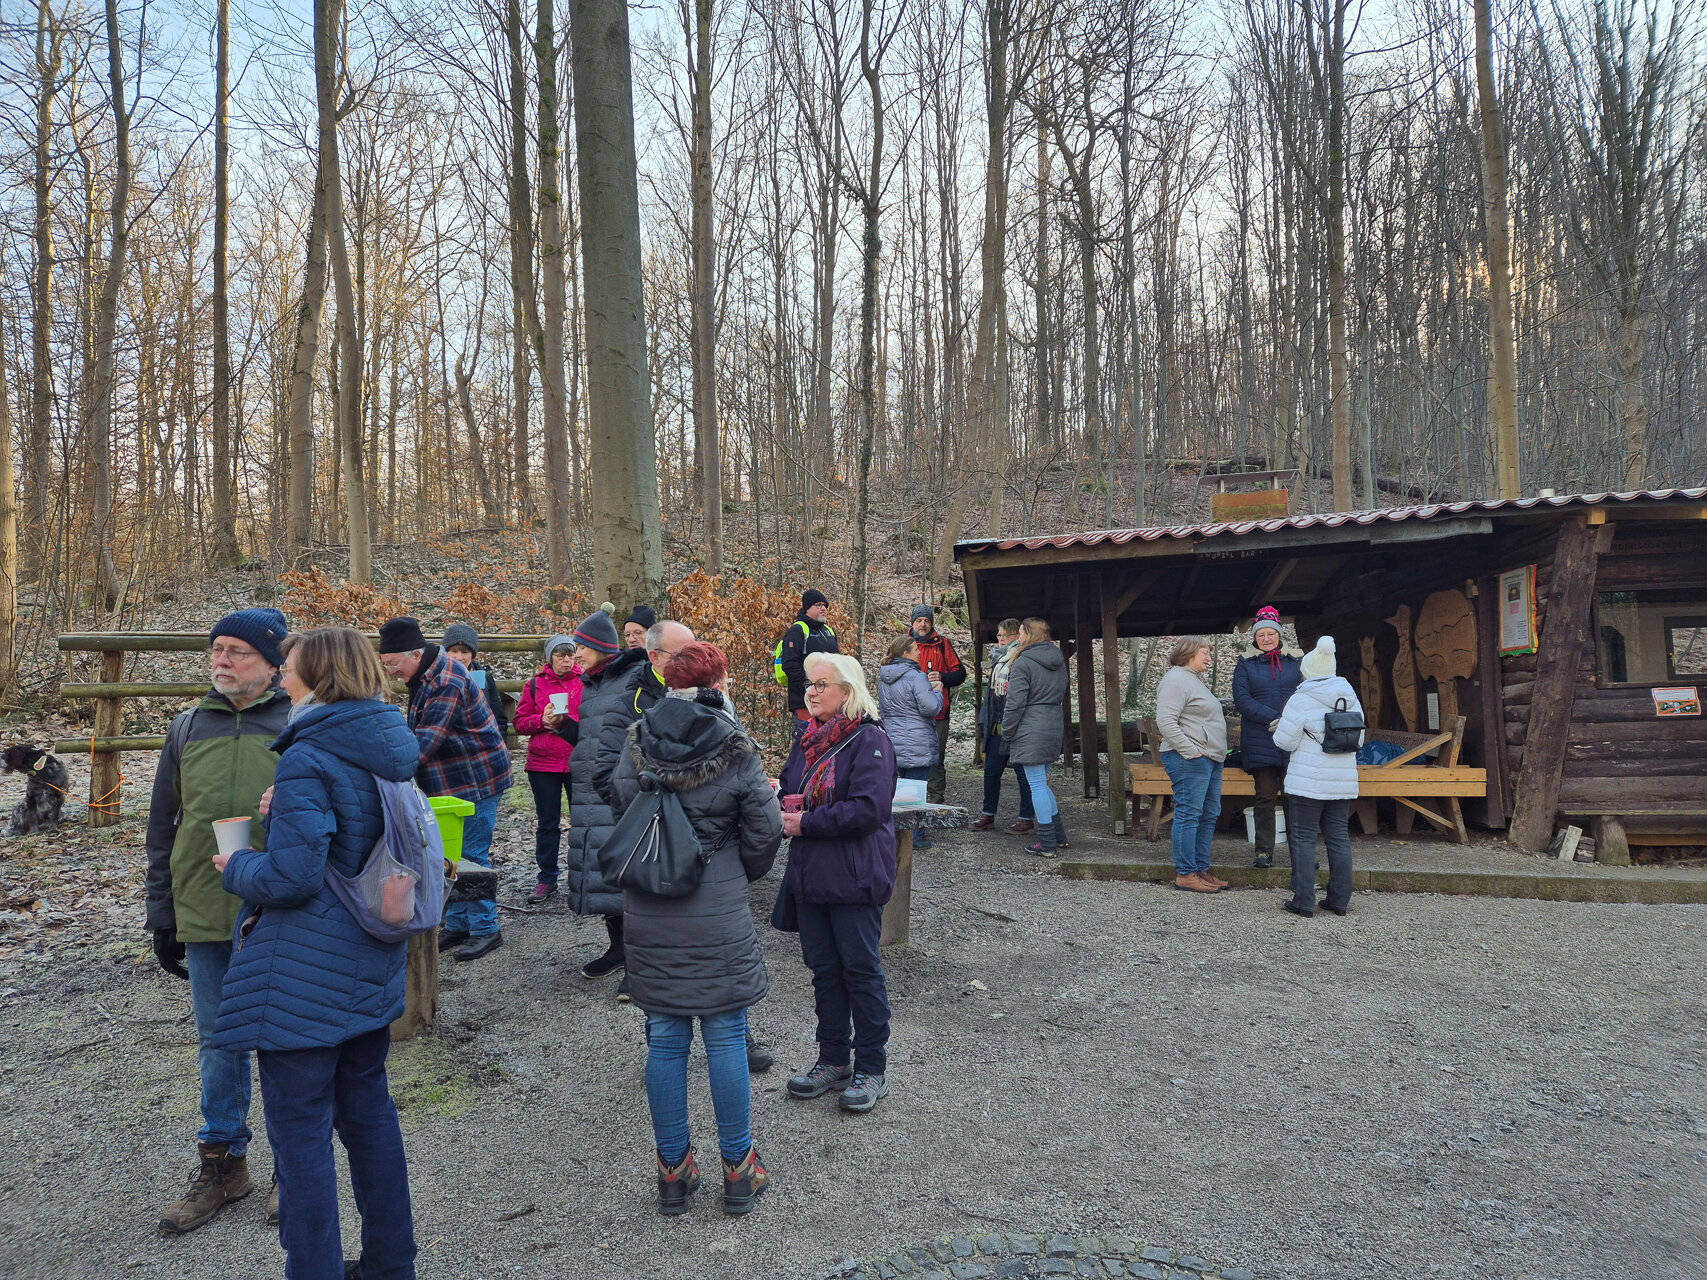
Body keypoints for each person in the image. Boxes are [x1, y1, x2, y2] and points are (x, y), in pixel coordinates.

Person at [211, 628, 419, 1280]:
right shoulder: (382, 744)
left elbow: (293, 878)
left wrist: (238, 864)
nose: (281, 675)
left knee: (301, 1141)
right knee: (371, 1122)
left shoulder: (308, 755)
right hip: (366, 963)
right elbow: (351, 828)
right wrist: (290, 810)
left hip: (302, 980)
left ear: (317, 676)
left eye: (290, 666)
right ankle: (391, 1267)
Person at [609, 642, 783, 1216]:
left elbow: (619, 802)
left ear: (667, 679)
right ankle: (739, 1170)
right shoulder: (734, 745)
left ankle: (674, 1172)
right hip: (716, 903)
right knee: (726, 1035)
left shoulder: (638, 737)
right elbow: (765, 827)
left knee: (664, 1038)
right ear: (719, 680)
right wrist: (733, 870)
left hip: (650, 902)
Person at [146, 607, 292, 1235]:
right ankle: (224, 1164)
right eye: (218, 650)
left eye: (238, 651)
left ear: (272, 663)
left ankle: (294, 1167)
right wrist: (162, 913)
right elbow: (161, 827)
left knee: (288, 1039)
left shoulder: (299, 722)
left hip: (281, 906)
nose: (222, 661)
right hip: (203, 907)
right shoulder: (186, 727)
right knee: (219, 1041)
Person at [776, 652, 898, 1114]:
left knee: (860, 971)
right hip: (811, 875)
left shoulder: (871, 741)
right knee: (824, 972)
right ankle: (832, 1060)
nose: (812, 691)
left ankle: (871, 1067)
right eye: (810, 684)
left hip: (853, 874)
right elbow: (791, 784)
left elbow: (869, 810)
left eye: (822, 684)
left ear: (847, 691)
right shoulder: (808, 740)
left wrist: (807, 821)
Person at [378, 616, 512, 961]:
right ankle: (456, 924)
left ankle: (486, 928)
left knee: (471, 856)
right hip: (446, 784)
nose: (391, 671)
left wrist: (384, 765)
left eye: (393, 663)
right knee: (445, 855)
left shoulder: (446, 680)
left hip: (475, 780)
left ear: (414, 653)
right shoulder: (425, 674)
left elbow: (425, 742)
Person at [564, 609, 650, 996]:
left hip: (615, 792)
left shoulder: (633, 678)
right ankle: (617, 949)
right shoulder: (593, 685)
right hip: (586, 793)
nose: (575, 654)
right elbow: (593, 736)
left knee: (627, 878)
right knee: (602, 874)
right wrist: (564, 728)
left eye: (581, 647)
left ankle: (641, 962)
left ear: (600, 648)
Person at [1273, 636, 1364, 917]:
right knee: (1338, 837)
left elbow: (1284, 742)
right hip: (1342, 780)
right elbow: (1359, 741)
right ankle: (1339, 900)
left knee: (1302, 837)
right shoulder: (1350, 697)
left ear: (1308, 670)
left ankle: (1303, 901)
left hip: (1307, 781)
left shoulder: (1300, 699)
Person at [1156, 637, 1230, 895]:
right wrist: (1192, 753)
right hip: (1190, 760)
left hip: (1211, 758)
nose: (1209, 658)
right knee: (1189, 813)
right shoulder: (1176, 680)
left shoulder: (1192, 680)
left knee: (1208, 814)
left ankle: (1201, 869)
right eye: (1205, 653)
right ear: (1187, 653)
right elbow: (1165, 721)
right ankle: (1186, 874)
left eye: (1210, 653)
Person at [1231, 606, 1303, 869]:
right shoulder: (1245, 664)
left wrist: (1291, 721)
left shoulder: (1297, 662)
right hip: (1261, 739)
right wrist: (1273, 718)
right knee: (1264, 797)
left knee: (1296, 797)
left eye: (1272, 633)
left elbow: (1307, 693)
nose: (1267, 638)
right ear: (1255, 637)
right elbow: (1242, 699)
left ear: (1280, 635)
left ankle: (1302, 853)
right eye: (1262, 634)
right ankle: (1263, 852)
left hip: (1295, 739)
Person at [514, 635, 583, 904]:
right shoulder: (534, 685)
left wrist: (566, 721)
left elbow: (594, 718)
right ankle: (547, 878)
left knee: (583, 822)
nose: (567, 660)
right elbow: (519, 723)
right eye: (560, 655)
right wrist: (541, 720)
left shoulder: (585, 683)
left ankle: (581, 876)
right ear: (549, 658)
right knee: (547, 823)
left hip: (577, 760)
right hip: (543, 764)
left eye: (570, 655)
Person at [1001, 618, 1071, 857]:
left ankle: (1047, 843)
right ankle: (1059, 837)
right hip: (1053, 723)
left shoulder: (1023, 663)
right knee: (1042, 782)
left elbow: (1015, 704)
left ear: (1029, 635)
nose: (1018, 637)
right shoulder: (1059, 661)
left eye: (1020, 633)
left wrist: (1007, 731)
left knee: (1037, 785)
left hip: (1031, 726)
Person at [877, 635, 947, 850]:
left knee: (896, 789)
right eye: (916, 649)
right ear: (906, 653)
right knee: (916, 789)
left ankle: (894, 833)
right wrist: (937, 692)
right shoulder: (917, 677)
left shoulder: (883, 677)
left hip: (892, 739)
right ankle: (915, 836)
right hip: (916, 740)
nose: (919, 652)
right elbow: (930, 708)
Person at [971, 619, 1036, 834]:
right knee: (991, 772)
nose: (999, 640)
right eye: (998, 636)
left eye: (1003, 636)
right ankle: (987, 814)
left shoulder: (1022, 658)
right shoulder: (998, 660)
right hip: (995, 724)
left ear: (1016, 637)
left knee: (1022, 773)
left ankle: (1026, 818)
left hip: (1017, 726)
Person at [907, 606, 965, 803]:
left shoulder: (942, 644)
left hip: (939, 712)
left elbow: (960, 674)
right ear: (912, 623)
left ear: (931, 623)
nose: (923, 624)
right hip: (911, 712)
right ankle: (913, 800)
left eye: (927, 620)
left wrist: (942, 676)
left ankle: (936, 799)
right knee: (911, 757)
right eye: (919, 620)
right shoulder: (903, 644)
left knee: (936, 758)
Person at [777, 589, 839, 737]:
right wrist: (809, 687)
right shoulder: (798, 630)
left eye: (825, 605)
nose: (823, 608)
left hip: (829, 701)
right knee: (806, 742)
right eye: (818, 605)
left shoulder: (829, 631)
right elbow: (789, 664)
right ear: (807, 609)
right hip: (804, 700)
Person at [442, 623, 509, 744]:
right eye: (454, 651)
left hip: (483, 745)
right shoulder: (436, 678)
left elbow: (498, 716)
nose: (459, 657)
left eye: (464, 652)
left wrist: (500, 744)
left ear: (472, 654)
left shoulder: (484, 677)